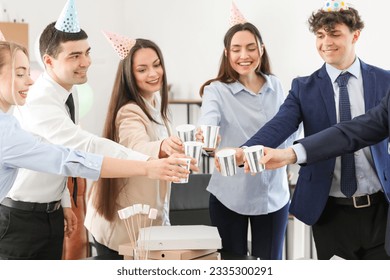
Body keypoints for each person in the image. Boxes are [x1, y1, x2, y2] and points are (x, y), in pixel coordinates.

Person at [8, 1, 194, 260]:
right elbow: (84, 147)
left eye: (87, 52)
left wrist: (61, 202)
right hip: (22, 217)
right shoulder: (41, 100)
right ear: (49, 61)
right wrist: (149, 163)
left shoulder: (66, 94)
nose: (86, 62)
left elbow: (54, 155)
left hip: (46, 213)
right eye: (75, 55)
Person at [234, 2, 390, 259]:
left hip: (381, 207)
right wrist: (245, 150)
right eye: (320, 35)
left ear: (356, 34)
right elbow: (280, 124)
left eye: (335, 33)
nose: (326, 42)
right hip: (329, 210)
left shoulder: (384, 81)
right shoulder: (303, 87)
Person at [197, 21, 294, 260]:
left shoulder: (276, 85)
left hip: (274, 195)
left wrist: (289, 158)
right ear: (227, 53)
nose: (244, 55)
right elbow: (207, 122)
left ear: (261, 49)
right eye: (236, 49)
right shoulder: (216, 90)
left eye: (251, 48)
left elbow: (289, 129)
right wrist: (207, 138)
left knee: (271, 265)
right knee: (232, 265)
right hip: (230, 195)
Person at [84, 37, 187, 257]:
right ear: (130, 75)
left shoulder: (155, 103)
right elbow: (137, 147)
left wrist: (182, 148)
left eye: (156, 65)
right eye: (142, 69)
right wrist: (163, 147)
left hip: (148, 220)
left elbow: (161, 145)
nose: (153, 73)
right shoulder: (129, 111)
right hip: (120, 227)